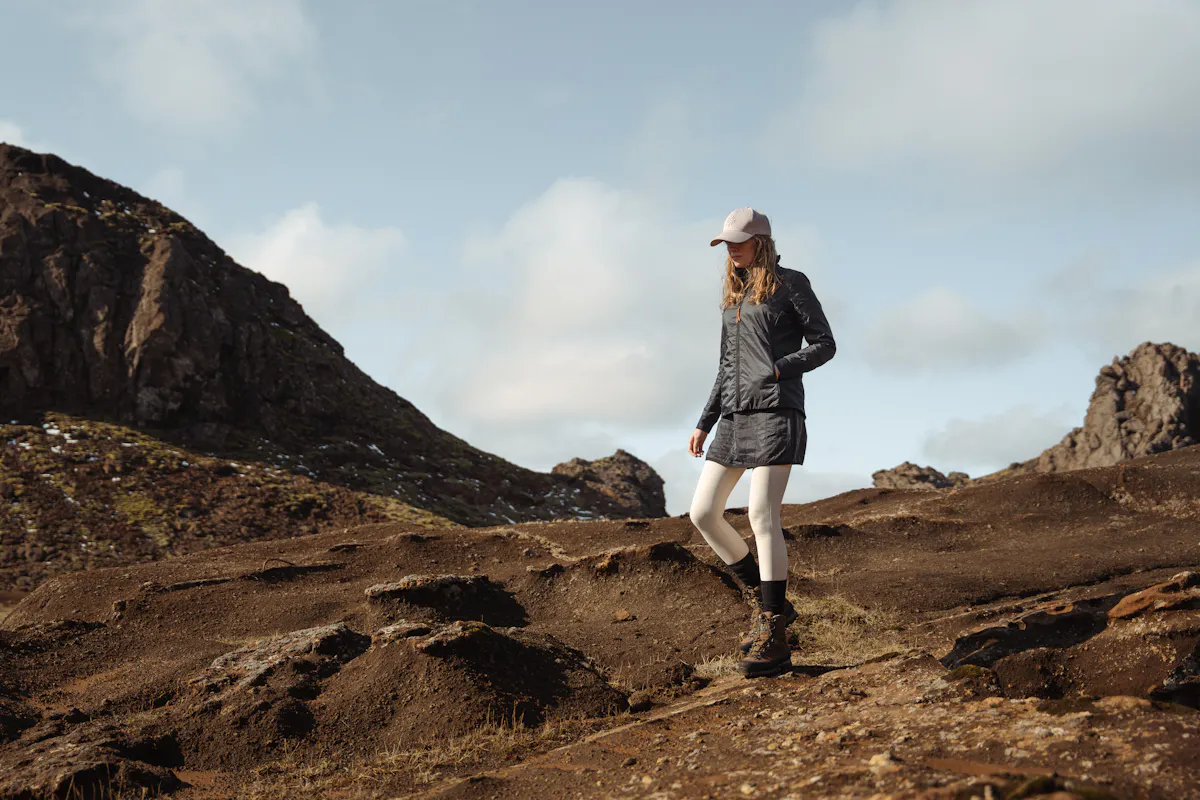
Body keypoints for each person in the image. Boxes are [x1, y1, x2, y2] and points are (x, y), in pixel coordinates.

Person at [688, 207, 836, 678]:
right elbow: (724, 368)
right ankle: (766, 600)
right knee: (703, 513)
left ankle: (773, 629)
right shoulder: (731, 299)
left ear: (761, 241)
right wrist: (704, 421)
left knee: (760, 515)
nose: (731, 249)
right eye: (726, 243)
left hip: (776, 410)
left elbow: (824, 342)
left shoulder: (790, 283)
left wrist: (779, 368)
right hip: (734, 417)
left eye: (738, 241)